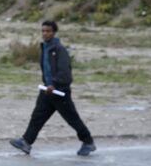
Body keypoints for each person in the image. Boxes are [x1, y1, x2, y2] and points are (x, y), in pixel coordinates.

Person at [9, 20, 96, 157]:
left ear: (54, 32)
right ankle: (26, 142)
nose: (45, 33)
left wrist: (54, 84)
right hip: (46, 90)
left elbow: (65, 72)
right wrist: (47, 85)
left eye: (48, 31)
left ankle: (88, 142)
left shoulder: (60, 50)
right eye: (43, 31)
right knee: (37, 117)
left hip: (60, 92)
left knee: (72, 119)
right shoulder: (45, 48)